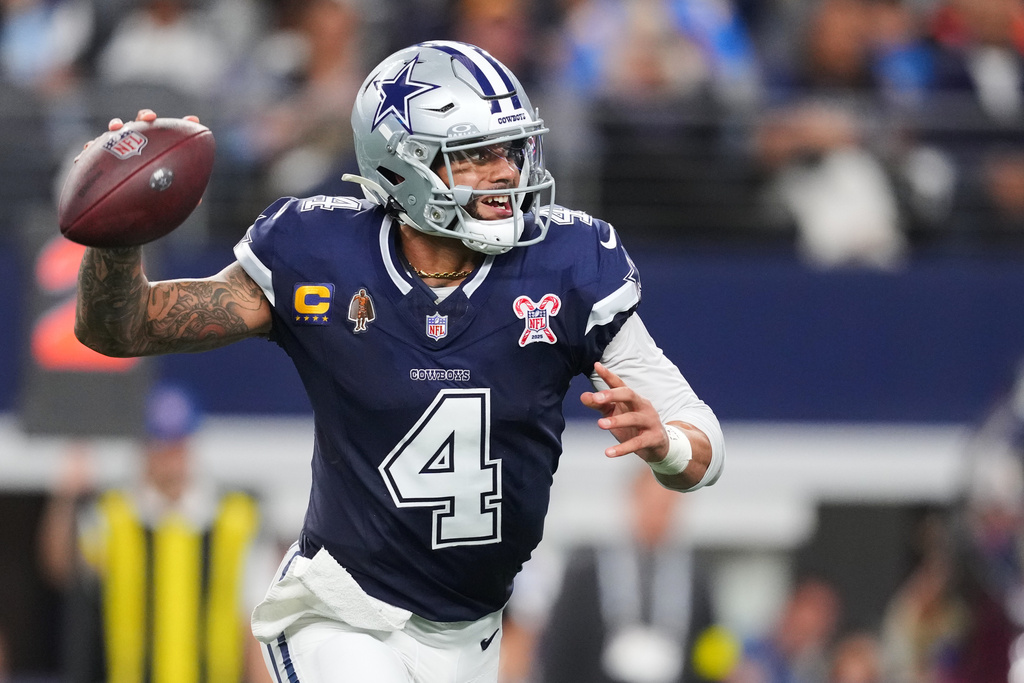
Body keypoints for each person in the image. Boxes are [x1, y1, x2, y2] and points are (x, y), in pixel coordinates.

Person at [72, 40, 726, 683]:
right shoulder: (319, 253)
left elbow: (703, 444)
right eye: (473, 154)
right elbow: (125, 325)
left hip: (470, 635)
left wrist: (666, 444)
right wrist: (119, 234)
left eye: (510, 149)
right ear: (401, 165)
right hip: (341, 609)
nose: (504, 172)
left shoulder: (569, 265)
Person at [37, 385, 271, 683]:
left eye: (177, 443)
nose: (169, 456)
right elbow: (60, 568)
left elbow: (255, 625)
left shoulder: (235, 520)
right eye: (160, 443)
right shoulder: (114, 517)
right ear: (144, 446)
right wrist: (65, 499)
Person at [537, 467, 719, 683]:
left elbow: (707, 651)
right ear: (633, 501)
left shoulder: (696, 579)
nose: (658, 518)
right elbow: (559, 649)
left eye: (666, 508)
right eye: (651, 506)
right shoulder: (588, 573)